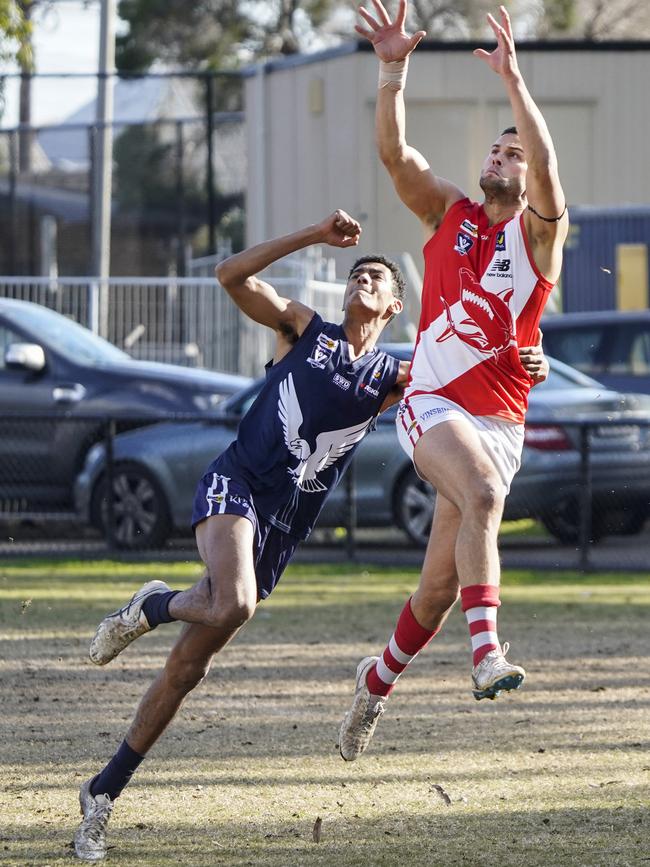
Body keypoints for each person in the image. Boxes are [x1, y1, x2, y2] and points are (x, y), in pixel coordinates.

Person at [73, 208, 547, 860]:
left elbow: (472, 380)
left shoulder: (393, 376)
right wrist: (313, 236)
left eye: (376, 277)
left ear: (395, 304)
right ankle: (150, 605)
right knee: (231, 601)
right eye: (356, 273)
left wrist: (531, 359)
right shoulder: (303, 328)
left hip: (279, 531)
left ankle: (102, 792)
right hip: (236, 483)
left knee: (187, 667)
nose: (363, 280)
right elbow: (228, 274)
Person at [339, 0, 568, 762]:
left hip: (500, 424)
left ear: (531, 179)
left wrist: (516, 84)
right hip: (430, 401)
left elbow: (547, 162)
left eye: (514, 154)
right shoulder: (451, 215)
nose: (501, 157)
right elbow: (397, 155)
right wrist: (392, 70)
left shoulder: (537, 238)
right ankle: (487, 654)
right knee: (485, 495)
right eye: (496, 151)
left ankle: (375, 680)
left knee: (436, 587)